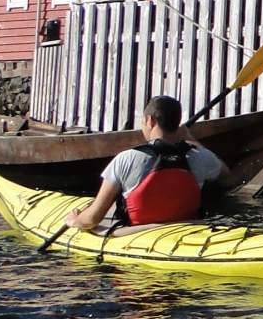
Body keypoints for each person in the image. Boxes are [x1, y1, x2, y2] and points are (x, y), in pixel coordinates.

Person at [66, 95, 224, 232]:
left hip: (137, 234)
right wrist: (193, 140)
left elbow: (93, 218)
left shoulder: (126, 158)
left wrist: (76, 221)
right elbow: (227, 175)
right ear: (178, 123)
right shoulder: (201, 156)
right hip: (186, 228)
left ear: (150, 121)